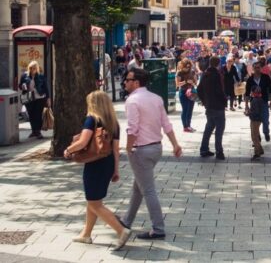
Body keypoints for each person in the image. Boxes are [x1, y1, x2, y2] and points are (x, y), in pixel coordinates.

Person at [64, 91, 131, 250]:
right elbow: (116, 150)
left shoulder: (92, 120)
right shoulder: (114, 123)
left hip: (95, 164)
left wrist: (68, 150)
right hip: (107, 164)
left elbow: (83, 141)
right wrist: (116, 170)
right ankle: (86, 234)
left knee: (94, 203)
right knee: (94, 201)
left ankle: (121, 230)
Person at [120, 68, 183, 240]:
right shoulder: (156, 99)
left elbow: (132, 128)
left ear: (136, 82)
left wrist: (128, 148)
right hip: (156, 148)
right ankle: (126, 221)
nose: (125, 81)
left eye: (128, 79)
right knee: (138, 186)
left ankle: (158, 228)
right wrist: (175, 144)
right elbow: (166, 124)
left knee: (147, 189)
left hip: (141, 150)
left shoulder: (132, 101)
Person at [198, 56, 228, 160]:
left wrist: (204, 101)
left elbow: (199, 89)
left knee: (209, 128)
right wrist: (224, 101)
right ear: (218, 64)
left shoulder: (205, 74)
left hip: (209, 106)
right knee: (219, 129)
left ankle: (204, 149)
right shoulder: (217, 75)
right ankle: (219, 151)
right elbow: (220, 90)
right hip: (218, 106)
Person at [244, 61, 271, 142]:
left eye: (259, 67)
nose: (257, 69)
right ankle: (257, 136)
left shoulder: (265, 77)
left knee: (265, 120)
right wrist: (246, 106)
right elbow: (247, 93)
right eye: (255, 68)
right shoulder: (250, 79)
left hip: (264, 101)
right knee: (255, 121)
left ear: (261, 68)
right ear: (253, 69)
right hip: (254, 103)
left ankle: (266, 132)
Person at [19, 60, 50, 139]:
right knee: (31, 115)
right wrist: (22, 86)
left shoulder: (41, 76)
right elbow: (20, 86)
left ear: (37, 68)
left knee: (38, 115)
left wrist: (48, 98)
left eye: (35, 68)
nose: (33, 70)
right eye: (32, 68)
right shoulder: (25, 76)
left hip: (39, 98)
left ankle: (38, 131)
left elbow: (46, 88)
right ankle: (33, 131)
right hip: (29, 98)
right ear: (29, 68)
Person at [175, 59, 197, 133]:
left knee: (190, 109)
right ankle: (185, 126)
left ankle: (189, 126)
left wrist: (193, 83)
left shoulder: (192, 71)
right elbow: (177, 84)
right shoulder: (179, 73)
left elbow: (195, 83)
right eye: (185, 67)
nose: (187, 69)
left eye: (188, 67)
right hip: (183, 92)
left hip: (191, 91)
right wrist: (186, 81)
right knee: (185, 109)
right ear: (182, 66)